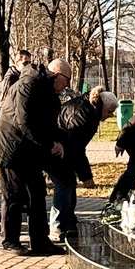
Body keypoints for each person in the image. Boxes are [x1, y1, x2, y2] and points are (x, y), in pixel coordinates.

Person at [0, 54, 63, 256]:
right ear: (57, 75)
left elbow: (47, 122)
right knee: (13, 195)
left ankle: (40, 241)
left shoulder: (45, 88)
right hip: (10, 149)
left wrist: (59, 141)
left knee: (37, 195)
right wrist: (49, 144)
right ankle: (8, 240)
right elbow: (25, 121)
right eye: (66, 80)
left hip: (28, 151)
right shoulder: (27, 85)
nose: (67, 85)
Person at [48, 63, 114, 242]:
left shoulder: (88, 110)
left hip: (63, 149)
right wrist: (86, 176)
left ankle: (68, 221)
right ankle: (57, 226)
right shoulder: (83, 114)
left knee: (68, 181)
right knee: (64, 183)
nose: (110, 116)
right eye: (109, 112)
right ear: (101, 106)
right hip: (56, 150)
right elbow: (76, 147)